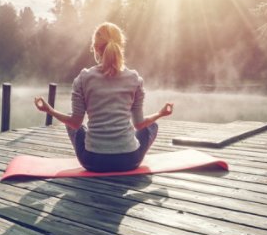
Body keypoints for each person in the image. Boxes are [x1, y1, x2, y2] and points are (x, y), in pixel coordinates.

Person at [34, 22, 173, 172]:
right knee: (151, 125)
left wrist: (50, 110)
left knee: (74, 122)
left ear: (95, 48)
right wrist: (161, 113)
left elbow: (75, 123)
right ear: (121, 47)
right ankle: (124, 142)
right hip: (129, 160)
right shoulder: (134, 79)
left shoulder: (83, 78)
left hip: (92, 161)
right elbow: (139, 125)